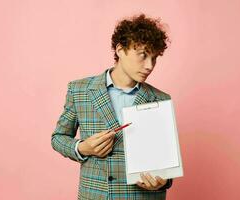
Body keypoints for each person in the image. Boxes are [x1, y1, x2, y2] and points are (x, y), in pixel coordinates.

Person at [51, 13, 173, 200]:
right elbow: (58, 138)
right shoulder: (80, 90)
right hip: (96, 195)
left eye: (154, 58)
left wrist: (163, 181)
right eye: (143, 55)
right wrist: (83, 148)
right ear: (120, 49)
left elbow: (167, 163)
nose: (149, 66)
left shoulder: (160, 99)